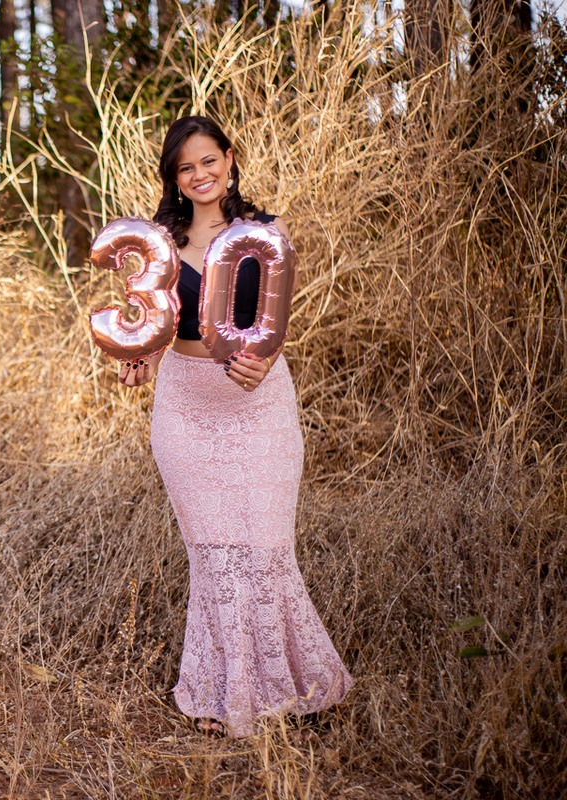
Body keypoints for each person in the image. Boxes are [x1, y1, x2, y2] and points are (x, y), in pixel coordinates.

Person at [118, 115, 352, 737]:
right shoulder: (158, 244)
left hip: (259, 403)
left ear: (229, 157)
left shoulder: (265, 233)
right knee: (214, 554)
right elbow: (148, 323)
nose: (198, 175)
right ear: (173, 177)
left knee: (266, 547)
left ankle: (290, 687)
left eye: (207, 161)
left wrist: (264, 360)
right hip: (185, 408)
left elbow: (278, 318)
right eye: (184, 168)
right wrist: (137, 358)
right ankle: (224, 696)